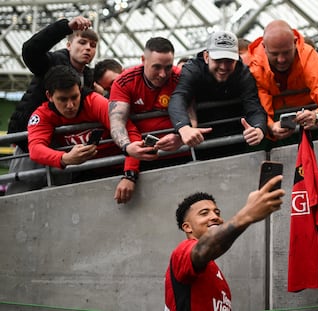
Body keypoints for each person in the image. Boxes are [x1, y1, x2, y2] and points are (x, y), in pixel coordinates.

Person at [27, 65, 151, 204]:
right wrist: (65, 158)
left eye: (74, 97)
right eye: (62, 99)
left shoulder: (96, 102)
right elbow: (35, 149)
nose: (70, 105)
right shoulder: (42, 114)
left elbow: (130, 131)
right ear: (49, 96)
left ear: (80, 90)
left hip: (119, 167)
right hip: (84, 174)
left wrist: (130, 175)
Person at [6, 16, 98, 195]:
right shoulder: (51, 62)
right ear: (69, 45)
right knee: (20, 196)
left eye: (93, 45)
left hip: (64, 147)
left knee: (59, 197)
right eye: (82, 42)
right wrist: (65, 27)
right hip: (30, 144)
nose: (88, 48)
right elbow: (30, 50)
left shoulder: (88, 76)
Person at [165, 175, 285, 310]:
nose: (215, 217)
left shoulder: (215, 271)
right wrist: (247, 215)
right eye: (204, 213)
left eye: (217, 212)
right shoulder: (182, 252)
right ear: (187, 227)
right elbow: (203, 249)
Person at [168, 30, 267, 159]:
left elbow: (254, 106)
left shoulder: (243, 73)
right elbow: (179, 97)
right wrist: (183, 127)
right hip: (202, 143)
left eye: (229, 61)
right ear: (206, 57)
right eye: (218, 60)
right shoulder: (193, 69)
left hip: (237, 140)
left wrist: (258, 129)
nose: (223, 67)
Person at [247, 20, 318, 142]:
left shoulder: (308, 56)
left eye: (286, 52)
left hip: (311, 124)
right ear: (264, 47)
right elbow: (258, 107)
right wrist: (271, 127)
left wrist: (317, 115)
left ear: (295, 43)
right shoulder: (254, 66)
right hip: (273, 131)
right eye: (274, 54)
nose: (281, 59)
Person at [108, 37, 185, 169]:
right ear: (143, 60)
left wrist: (181, 137)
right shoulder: (124, 82)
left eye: (168, 67)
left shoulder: (180, 77)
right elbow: (117, 121)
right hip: (143, 159)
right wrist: (127, 147)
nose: (162, 74)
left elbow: (191, 113)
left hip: (182, 154)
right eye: (156, 67)